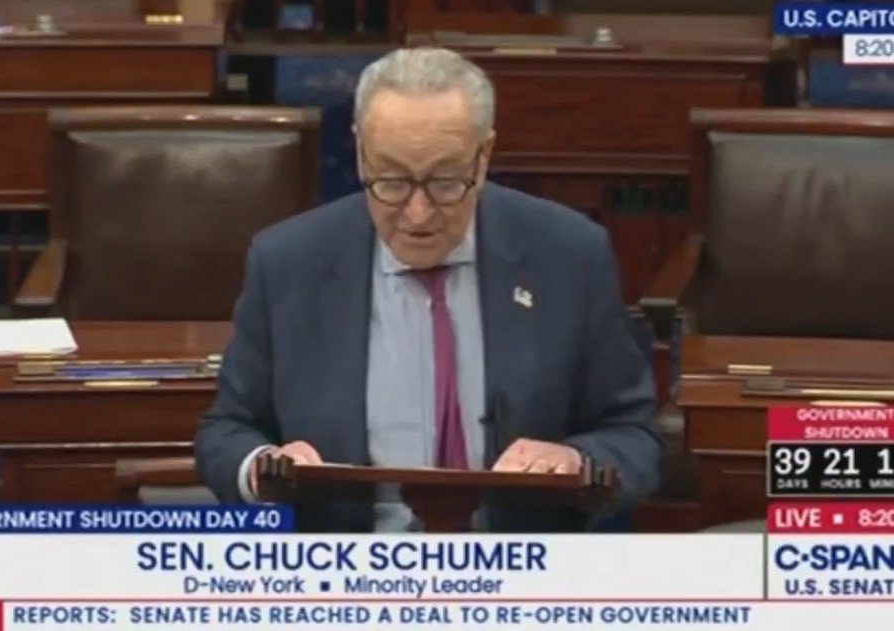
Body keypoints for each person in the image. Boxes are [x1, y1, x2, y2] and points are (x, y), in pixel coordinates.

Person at [194, 47, 659, 532]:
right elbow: (225, 430)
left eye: (445, 182)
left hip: (520, 578)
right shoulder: (289, 262)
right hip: (345, 578)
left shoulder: (568, 255)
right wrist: (266, 468)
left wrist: (575, 462)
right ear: (359, 152)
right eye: (391, 180)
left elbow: (633, 436)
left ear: (484, 156)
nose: (417, 214)